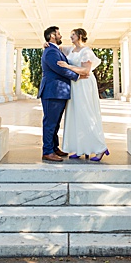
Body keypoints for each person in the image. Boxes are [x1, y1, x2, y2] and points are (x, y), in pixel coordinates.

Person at [58, 28, 110, 161]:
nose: (71, 37)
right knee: (76, 115)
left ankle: (100, 148)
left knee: (86, 114)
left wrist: (67, 66)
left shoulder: (86, 51)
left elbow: (86, 71)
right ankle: (80, 148)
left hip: (84, 84)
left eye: (73, 35)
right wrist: (45, 44)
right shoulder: (71, 49)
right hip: (75, 85)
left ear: (80, 36)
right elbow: (58, 47)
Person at [39, 26, 80, 163]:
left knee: (55, 122)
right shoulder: (50, 51)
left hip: (58, 91)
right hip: (52, 91)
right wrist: (77, 76)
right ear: (52, 36)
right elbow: (58, 68)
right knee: (50, 122)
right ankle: (47, 151)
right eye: (58, 34)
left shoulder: (54, 49)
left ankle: (54, 147)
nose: (60, 36)